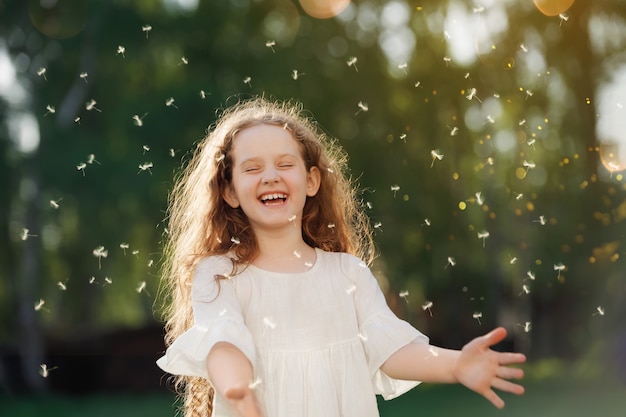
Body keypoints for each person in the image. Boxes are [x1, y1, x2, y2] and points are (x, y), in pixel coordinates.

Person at [156, 97, 526, 417]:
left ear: (312, 181)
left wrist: (456, 364)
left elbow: (390, 350)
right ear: (230, 192)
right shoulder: (220, 275)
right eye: (252, 168)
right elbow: (224, 342)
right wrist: (239, 389)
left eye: (285, 164)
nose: (270, 176)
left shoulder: (348, 275)